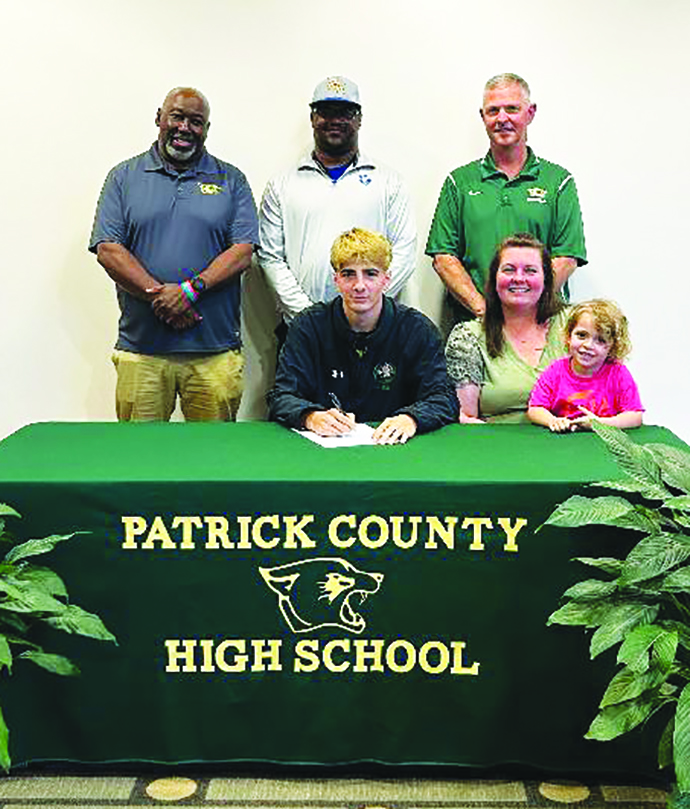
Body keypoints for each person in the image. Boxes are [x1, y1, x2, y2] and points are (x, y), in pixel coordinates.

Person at [89, 87, 259, 422]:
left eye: (196, 121)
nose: (184, 127)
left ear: (206, 130)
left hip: (215, 353)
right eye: (177, 116)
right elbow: (108, 249)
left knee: (215, 462)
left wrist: (189, 290)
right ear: (159, 118)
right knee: (139, 463)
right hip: (142, 352)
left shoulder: (232, 179)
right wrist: (162, 297)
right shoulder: (123, 177)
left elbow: (243, 251)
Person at [426, 73, 586, 331]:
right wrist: (484, 311)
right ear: (483, 117)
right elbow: (444, 257)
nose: (502, 119)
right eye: (493, 111)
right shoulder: (459, 182)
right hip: (476, 325)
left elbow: (566, 257)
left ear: (530, 113)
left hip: (543, 327)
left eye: (512, 109)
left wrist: (527, 309)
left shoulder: (558, 182)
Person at [267, 228, 457, 444]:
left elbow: (444, 397)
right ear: (336, 280)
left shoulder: (417, 330)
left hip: (394, 450)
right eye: (348, 274)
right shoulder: (308, 326)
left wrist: (412, 418)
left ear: (386, 279)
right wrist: (310, 416)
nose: (359, 286)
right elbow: (281, 396)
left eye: (370, 274)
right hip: (323, 452)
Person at [258, 76, 416, 335]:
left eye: (345, 113)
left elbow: (403, 252)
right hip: (302, 330)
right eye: (325, 112)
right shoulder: (282, 184)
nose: (335, 120)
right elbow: (270, 257)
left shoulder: (388, 182)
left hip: (374, 330)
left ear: (359, 119)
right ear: (312, 118)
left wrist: (365, 305)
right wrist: (309, 317)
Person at [445, 233, 568, 423]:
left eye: (530, 271)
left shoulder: (574, 324)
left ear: (546, 280)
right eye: (509, 270)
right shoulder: (467, 338)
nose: (519, 278)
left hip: (570, 444)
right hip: (497, 447)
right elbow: (466, 418)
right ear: (495, 278)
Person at [528, 300, 643, 432]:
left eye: (600, 340)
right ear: (568, 336)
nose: (588, 345)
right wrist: (553, 421)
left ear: (612, 347)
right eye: (582, 335)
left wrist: (598, 423)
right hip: (562, 441)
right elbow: (535, 408)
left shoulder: (618, 373)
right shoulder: (555, 371)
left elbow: (635, 416)